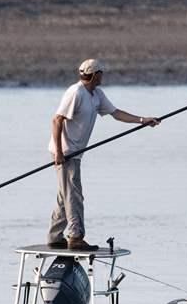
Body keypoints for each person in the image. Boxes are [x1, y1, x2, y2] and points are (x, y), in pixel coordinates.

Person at [47, 58, 157, 250]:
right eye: (101, 73)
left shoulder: (96, 94)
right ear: (95, 75)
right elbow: (57, 121)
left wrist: (142, 120)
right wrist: (58, 152)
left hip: (75, 153)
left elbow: (116, 113)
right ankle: (75, 237)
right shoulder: (76, 93)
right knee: (74, 195)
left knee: (65, 194)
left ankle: (55, 237)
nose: (103, 76)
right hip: (66, 153)